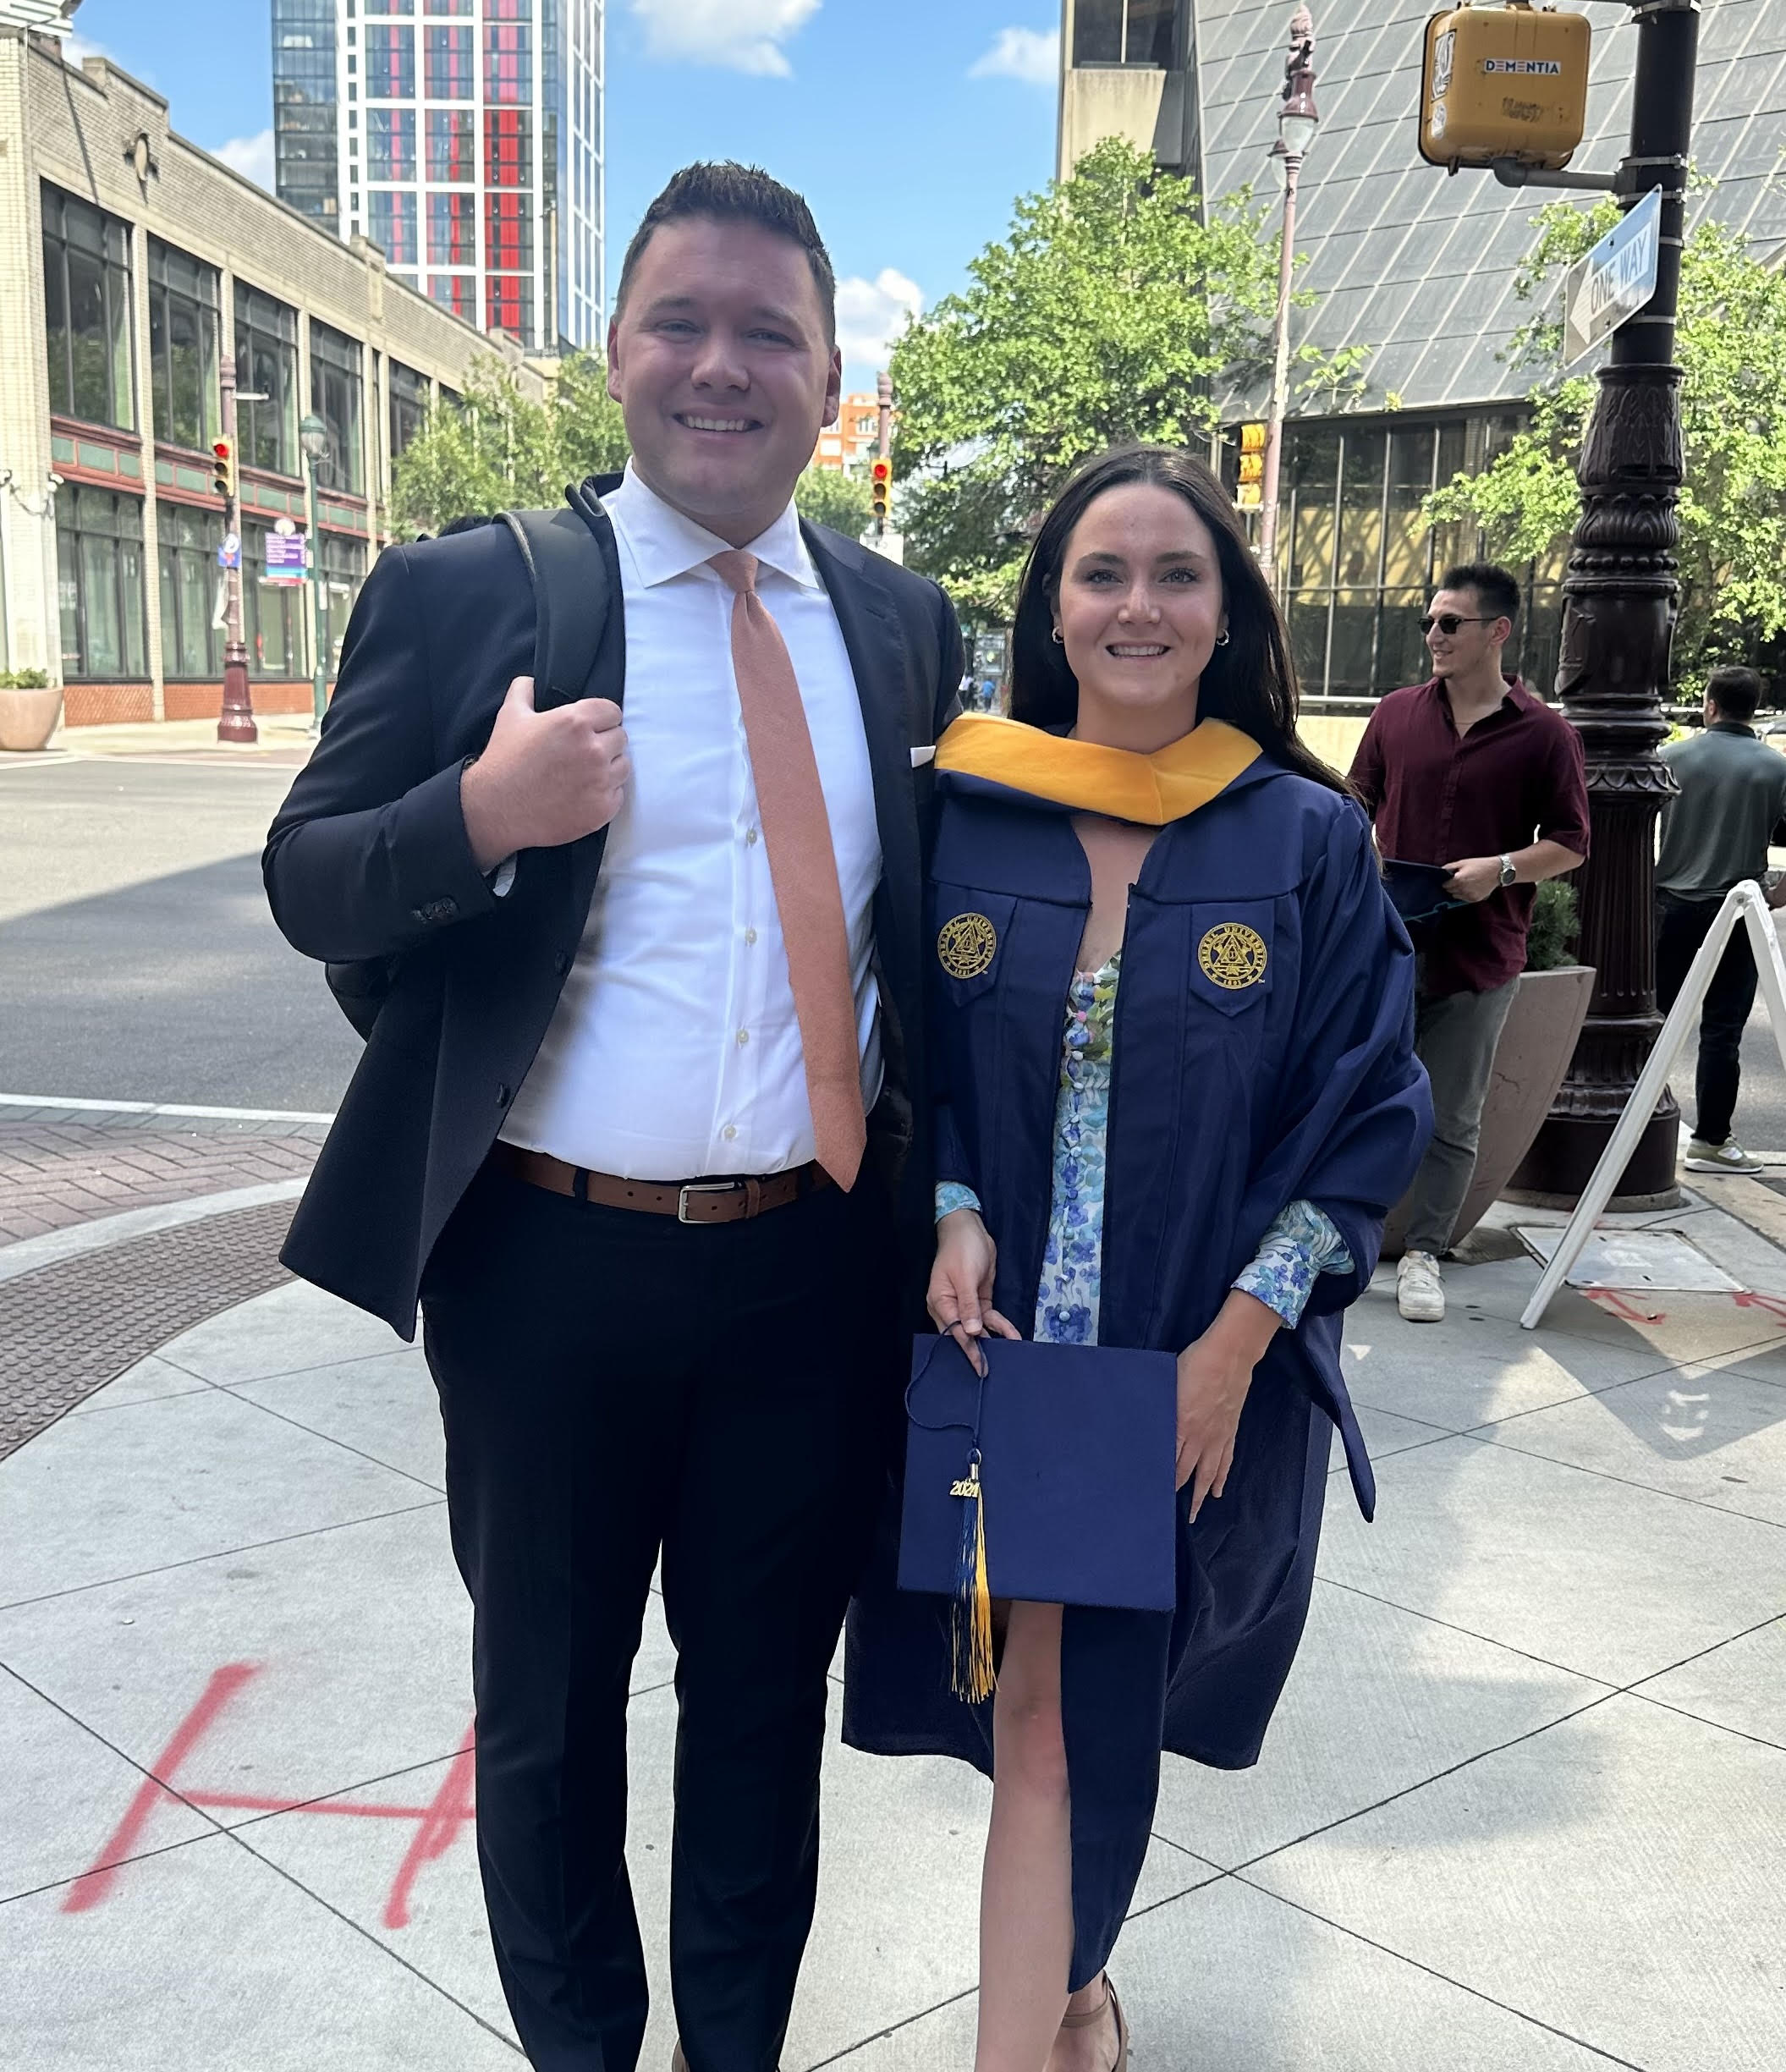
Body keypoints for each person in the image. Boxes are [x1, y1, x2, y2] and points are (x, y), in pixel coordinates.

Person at [263, 163, 963, 2072]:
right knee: (550, 1718)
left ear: (834, 379)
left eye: (767, 335)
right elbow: (312, 878)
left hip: (807, 1272)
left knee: (758, 1720)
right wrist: (473, 821)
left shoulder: (905, 628)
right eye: (680, 323)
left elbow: (936, 944)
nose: (718, 367)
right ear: (613, 351)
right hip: (542, 1269)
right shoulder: (475, 587)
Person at [844, 445, 1431, 2072]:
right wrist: (953, 1202)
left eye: (1178, 573)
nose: (1138, 606)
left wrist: (1235, 1349)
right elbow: (923, 1059)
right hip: (1003, 1361)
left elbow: (1368, 1103)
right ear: (1051, 609)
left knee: (1086, 1726)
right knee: (1032, 1721)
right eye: (1101, 573)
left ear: (1229, 608)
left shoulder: (1304, 836)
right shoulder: (963, 808)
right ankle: (1048, 2026)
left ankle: (1070, 1996)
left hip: (1187, 1372)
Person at [1349, 563, 1590, 1323]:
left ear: (1497, 631)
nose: (1433, 635)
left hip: (1480, 953)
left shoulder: (1543, 733)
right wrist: (1362, 851)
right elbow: (1355, 801)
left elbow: (1572, 842)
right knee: (1357, 1099)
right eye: (1428, 621)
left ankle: (1424, 1254)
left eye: (1449, 622)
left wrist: (1503, 869)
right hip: (1384, 944)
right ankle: (1339, 1238)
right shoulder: (1395, 713)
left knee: (1452, 1116)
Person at [1655, 665, 1786, 1173]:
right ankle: (1710, 1140)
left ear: (1710, 704)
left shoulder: (1671, 758)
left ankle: (1635, 1124)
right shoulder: (1774, 768)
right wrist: (1774, 895)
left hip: (1672, 906)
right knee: (1722, 1029)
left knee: (1656, 1021)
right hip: (1738, 913)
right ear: (1753, 708)